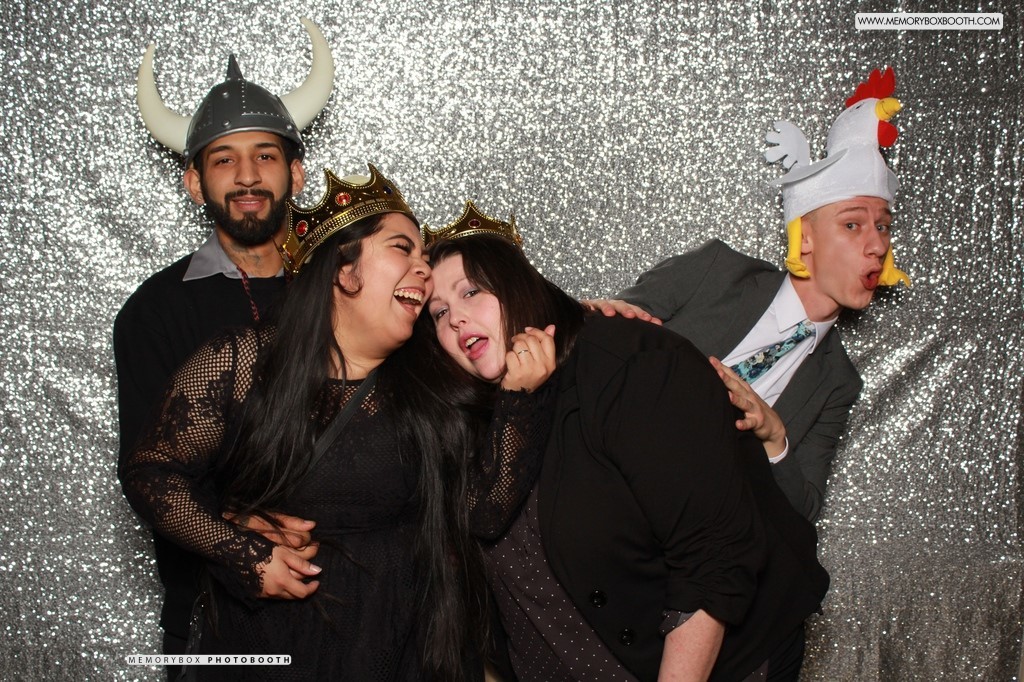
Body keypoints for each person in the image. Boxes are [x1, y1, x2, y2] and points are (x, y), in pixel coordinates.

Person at [421, 205, 830, 682]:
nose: (456, 318)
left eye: (471, 291)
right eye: (439, 312)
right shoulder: (468, 415)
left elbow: (712, 559)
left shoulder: (633, 366)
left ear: (519, 285)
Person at [120, 165, 494, 680]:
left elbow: (491, 505)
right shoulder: (245, 361)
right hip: (273, 649)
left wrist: (578, 325)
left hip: (404, 651)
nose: (424, 270)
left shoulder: (435, 377)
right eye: (403, 249)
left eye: (425, 258)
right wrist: (241, 551)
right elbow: (151, 470)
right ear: (343, 269)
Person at [114, 20, 333, 670]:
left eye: (265, 156)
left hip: (350, 609)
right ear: (195, 183)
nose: (247, 177)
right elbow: (149, 471)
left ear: (295, 174)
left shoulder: (347, 292)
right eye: (224, 160)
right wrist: (236, 528)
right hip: (212, 619)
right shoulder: (154, 312)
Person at [613, 67, 911, 522]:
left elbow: (803, 510)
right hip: (605, 472)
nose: (877, 245)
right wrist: (609, 320)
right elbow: (606, 331)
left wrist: (776, 439)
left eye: (883, 226)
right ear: (804, 237)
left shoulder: (838, 382)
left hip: (687, 530)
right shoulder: (717, 271)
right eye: (853, 224)